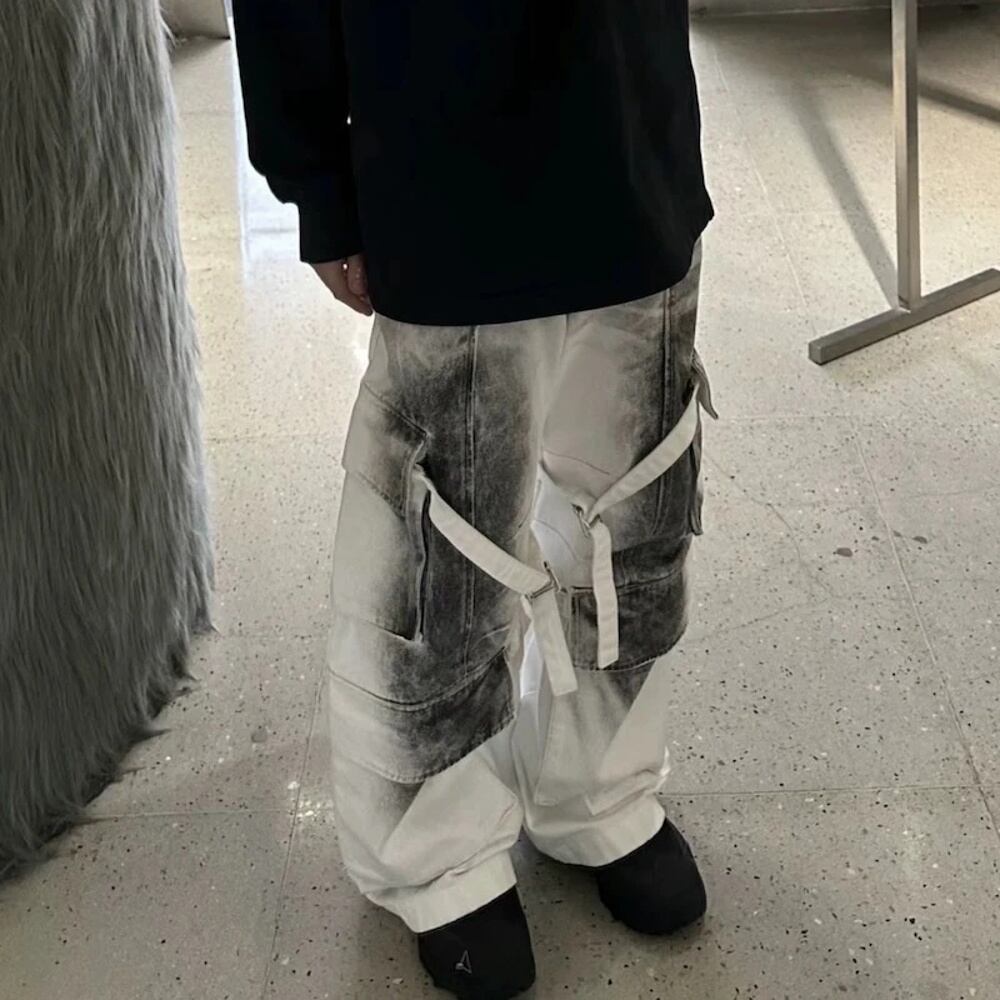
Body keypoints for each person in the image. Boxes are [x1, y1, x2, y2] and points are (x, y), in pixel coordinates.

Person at [232, 4, 715, 997]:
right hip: (441, 147)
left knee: (634, 508)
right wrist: (317, 180)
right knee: (440, 546)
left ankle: (600, 791)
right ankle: (437, 853)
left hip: (635, 128)